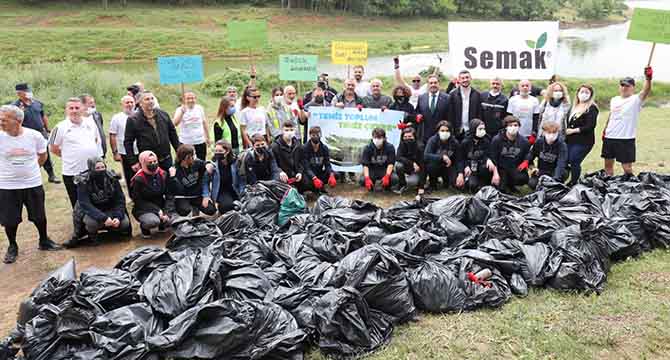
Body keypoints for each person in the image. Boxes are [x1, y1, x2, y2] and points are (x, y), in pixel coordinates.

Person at [0, 105, 61, 264]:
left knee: (39, 215)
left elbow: (43, 155)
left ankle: (44, 240)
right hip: (7, 186)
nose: (1, 123)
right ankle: (12, 246)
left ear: (18, 121)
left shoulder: (34, 136)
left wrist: (32, 170)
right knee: (10, 220)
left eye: (4, 120)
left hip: (32, 183)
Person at [65, 157, 131, 247]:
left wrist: (118, 217)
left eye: (103, 167)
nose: (101, 170)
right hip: (92, 212)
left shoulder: (112, 178)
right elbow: (85, 204)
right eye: (97, 168)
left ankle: (113, 231)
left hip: (110, 209)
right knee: (91, 223)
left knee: (125, 223)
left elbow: (120, 199)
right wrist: (103, 218)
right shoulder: (83, 181)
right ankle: (93, 236)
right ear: (91, 168)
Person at [49, 98, 102, 208]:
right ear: (66, 110)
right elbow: (53, 148)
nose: (74, 111)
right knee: (79, 203)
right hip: (73, 172)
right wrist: (71, 156)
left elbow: (96, 140)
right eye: (71, 108)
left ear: (82, 109)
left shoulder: (90, 123)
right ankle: (80, 224)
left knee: (97, 199)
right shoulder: (60, 127)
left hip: (92, 170)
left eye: (77, 108)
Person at [602, 67, 653, 177]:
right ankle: (608, 188)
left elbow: (646, 91)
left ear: (633, 88)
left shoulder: (636, 100)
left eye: (627, 86)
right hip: (610, 137)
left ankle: (631, 186)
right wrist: (605, 130)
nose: (624, 88)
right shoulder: (614, 99)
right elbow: (611, 116)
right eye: (622, 85)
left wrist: (648, 79)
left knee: (627, 168)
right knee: (608, 167)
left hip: (626, 139)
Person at [13, 83, 59, 184]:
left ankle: (51, 175)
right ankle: (28, 175)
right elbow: (14, 121)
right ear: (19, 94)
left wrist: (47, 129)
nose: (29, 93)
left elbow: (43, 116)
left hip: (40, 132)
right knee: (29, 154)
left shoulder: (37, 103)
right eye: (26, 91)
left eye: (28, 90)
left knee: (44, 153)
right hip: (27, 135)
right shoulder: (15, 107)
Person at [124, 91, 180, 172]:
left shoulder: (163, 114)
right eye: (147, 99)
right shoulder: (133, 120)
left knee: (170, 182)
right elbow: (128, 142)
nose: (150, 101)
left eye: (152, 98)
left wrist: (179, 152)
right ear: (140, 103)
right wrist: (133, 162)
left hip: (166, 158)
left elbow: (173, 134)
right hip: (148, 161)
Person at [167, 144, 217, 217]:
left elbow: (207, 163)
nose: (195, 157)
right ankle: (189, 209)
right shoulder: (175, 170)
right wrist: (173, 177)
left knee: (211, 210)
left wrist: (209, 165)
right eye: (193, 155)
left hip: (197, 195)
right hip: (184, 197)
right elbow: (176, 190)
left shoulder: (196, 163)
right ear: (186, 158)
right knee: (184, 211)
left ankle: (195, 207)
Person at [130, 151, 170, 239]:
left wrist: (166, 212)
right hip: (144, 209)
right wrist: (157, 210)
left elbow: (169, 195)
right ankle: (145, 228)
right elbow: (138, 201)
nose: (153, 164)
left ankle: (162, 224)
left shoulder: (163, 174)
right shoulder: (138, 179)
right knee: (152, 221)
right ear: (143, 163)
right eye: (150, 163)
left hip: (161, 205)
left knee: (174, 218)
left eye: (155, 161)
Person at [565, 84, 599, 186]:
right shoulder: (573, 107)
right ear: (578, 93)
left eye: (586, 92)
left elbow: (590, 126)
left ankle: (574, 182)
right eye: (582, 92)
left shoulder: (592, 108)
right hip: (570, 140)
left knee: (574, 160)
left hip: (584, 141)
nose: (584, 94)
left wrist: (574, 130)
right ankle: (562, 178)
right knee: (565, 160)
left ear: (590, 95)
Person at [489, 116, 531, 193]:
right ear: (505, 127)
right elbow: (493, 157)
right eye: (510, 125)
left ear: (519, 127)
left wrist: (526, 161)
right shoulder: (497, 140)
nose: (513, 128)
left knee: (523, 178)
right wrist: (495, 173)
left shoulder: (524, 141)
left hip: (514, 167)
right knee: (501, 189)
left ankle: (511, 185)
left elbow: (528, 153)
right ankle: (505, 184)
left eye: (515, 125)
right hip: (500, 168)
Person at [203, 140, 242, 214]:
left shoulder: (236, 162)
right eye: (216, 151)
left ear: (227, 151)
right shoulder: (213, 165)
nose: (217, 153)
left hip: (235, 189)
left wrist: (243, 192)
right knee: (226, 207)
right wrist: (206, 196)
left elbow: (241, 179)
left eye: (220, 151)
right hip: (222, 191)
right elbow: (205, 181)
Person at [424, 121, 464, 191]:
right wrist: (442, 157)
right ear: (438, 131)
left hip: (449, 167)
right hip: (436, 166)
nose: (445, 132)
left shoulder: (455, 142)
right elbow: (426, 155)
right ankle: (433, 183)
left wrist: (460, 174)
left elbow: (459, 160)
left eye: (447, 130)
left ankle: (447, 182)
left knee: (457, 186)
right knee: (431, 166)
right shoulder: (432, 140)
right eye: (442, 130)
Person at [527, 121, 568, 190]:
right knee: (532, 184)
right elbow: (530, 156)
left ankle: (559, 182)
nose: (551, 135)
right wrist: (532, 167)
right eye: (549, 132)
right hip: (542, 170)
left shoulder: (562, 145)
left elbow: (561, 163)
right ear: (544, 132)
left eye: (554, 133)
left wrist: (555, 179)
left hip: (555, 171)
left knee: (556, 182)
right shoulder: (539, 142)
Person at [173, 91, 210, 160]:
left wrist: (208, 137)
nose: (190, 100)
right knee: (186, 162)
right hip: (185, 142)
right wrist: (181, 113)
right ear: (184, 99)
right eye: (188, 98)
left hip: (200, 141)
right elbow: (175, 124)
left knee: (201, 161)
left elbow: (204, 123)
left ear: (195, 99)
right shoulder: (179, 109)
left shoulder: (200, 108)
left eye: (192, 98)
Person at [109, 95, 138, 185]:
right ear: (122, 105)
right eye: (127, 102)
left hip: (140, 150)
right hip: (125, 152)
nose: (129, 104)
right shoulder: (117, 118)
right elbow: (112, 135)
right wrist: (115, 153)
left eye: (131, 102)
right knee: (129, 175)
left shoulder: (140, 116)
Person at [271, 121, 306, 191]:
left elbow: (302, 160)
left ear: (295, 130)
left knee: (308, 181)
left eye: (291, 130)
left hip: (295, 174)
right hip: (283, 175)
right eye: (286, 130)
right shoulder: (275, 146)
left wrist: (300, 172)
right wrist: (280, 172)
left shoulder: (298, 144)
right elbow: (272, 163)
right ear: (282, 131)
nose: (289, 132)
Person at [461, 119, 493, 192]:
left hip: (481, 166)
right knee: (472, 186)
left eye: (484, 129)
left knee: (487, 167)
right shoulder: (465, 142)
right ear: (473, 129)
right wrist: (466, 166)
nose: (483, 131)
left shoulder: (486, 140)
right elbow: (461, 158)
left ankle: (484, 182)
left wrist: (488, 159)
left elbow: (488, 154)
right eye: (480, 129)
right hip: (469, 167)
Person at [302, 126, 337, 193]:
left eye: (318, 134)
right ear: (310, 135)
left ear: (321, 135)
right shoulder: (304, 148)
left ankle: (321, 186)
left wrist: (331, 175)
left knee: (335, 174)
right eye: (313, 135)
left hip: (319, 173)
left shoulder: (324, 148)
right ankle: (312, 189)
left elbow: (327, 164)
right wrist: (314, 178)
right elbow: (306, 167)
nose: (316, 137)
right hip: (309, 175)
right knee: (305, 182)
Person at [448, 70, 481, 139]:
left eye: (467, 77)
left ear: (471, 78)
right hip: (457, 131)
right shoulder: (452, 94)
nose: (465, 80)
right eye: (462, 78)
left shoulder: (477, 94)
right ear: (459, 80)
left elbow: (479, 114)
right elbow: (450, 114)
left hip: (471, 131)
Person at [415, 75, 449, 143]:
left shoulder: (447, 98)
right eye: (431, 83)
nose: (433, 85)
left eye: (435, 82)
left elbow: (450, 116)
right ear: (428, 85)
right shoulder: (421, 98)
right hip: (425, 136)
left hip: (442, 135)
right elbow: (417, 111)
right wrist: (418, 115)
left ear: (439, 84)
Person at [394, 127, 425, 197]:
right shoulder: (402, 144)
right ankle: (402, 184)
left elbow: (423, 166)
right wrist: (412, 163)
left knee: (413, 183)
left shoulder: (420, 147)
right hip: (406, 167)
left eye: (410, 136)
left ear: (414, 137)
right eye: (405, 137)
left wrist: (421, 186)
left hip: (416, 170)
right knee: (398, 166)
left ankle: (416, 183)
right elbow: (398, 157)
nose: (407, 138)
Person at [80, 94, 107, 158]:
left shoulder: (97, 115)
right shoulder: (78, 120)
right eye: (90, 103)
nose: (93, 105)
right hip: (87, 156)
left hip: (100, 153)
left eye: (94, 102)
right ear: (82, 105)